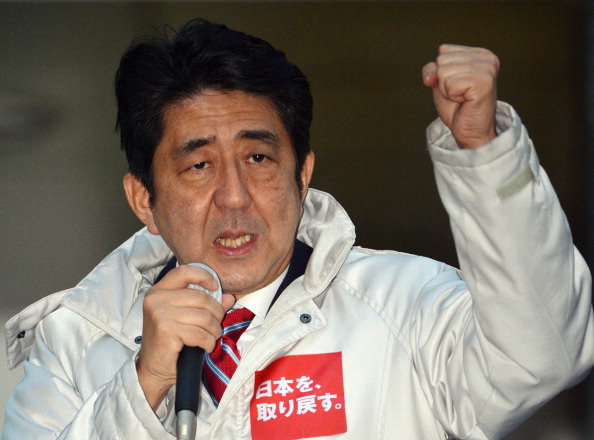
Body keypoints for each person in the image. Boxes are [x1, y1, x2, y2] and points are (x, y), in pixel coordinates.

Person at [2, 17, 593, 440]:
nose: (234, 197)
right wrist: (143, 382)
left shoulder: (402, 305)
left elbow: (546, 354)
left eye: (258, 159)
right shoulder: (75, 343)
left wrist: (485, 154)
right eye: (199, 165)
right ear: (143, 200)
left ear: (302, 173)